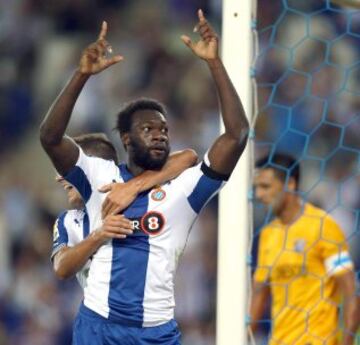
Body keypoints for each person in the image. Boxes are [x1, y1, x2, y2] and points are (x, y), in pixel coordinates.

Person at [40, 10, 249, 345]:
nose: (159, 135)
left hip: (157, 332)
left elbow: (236, 137)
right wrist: (81, 75)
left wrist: (214, 63)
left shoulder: (184, 189)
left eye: (164, 129)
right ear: (126, 139)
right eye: (148, 129)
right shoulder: (100, 176)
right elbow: (50, 138)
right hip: (99, 326)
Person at [52, 133, 197, 287]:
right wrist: (98, 236)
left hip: (155, 305)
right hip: (97, 309)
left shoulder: (142, 197)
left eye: (67, 168)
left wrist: (134, 186)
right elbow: (61, 268)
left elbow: (188, 157)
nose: (59, 177)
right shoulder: (69, 221)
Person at [250, 153, 359, 345]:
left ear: (290, 184)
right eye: (256, 188)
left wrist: (347, 341)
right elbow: (259, 294)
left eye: (265, 187)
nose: (259, 195)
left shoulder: (323, 226)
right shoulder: (268, 234)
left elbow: (350, 292)